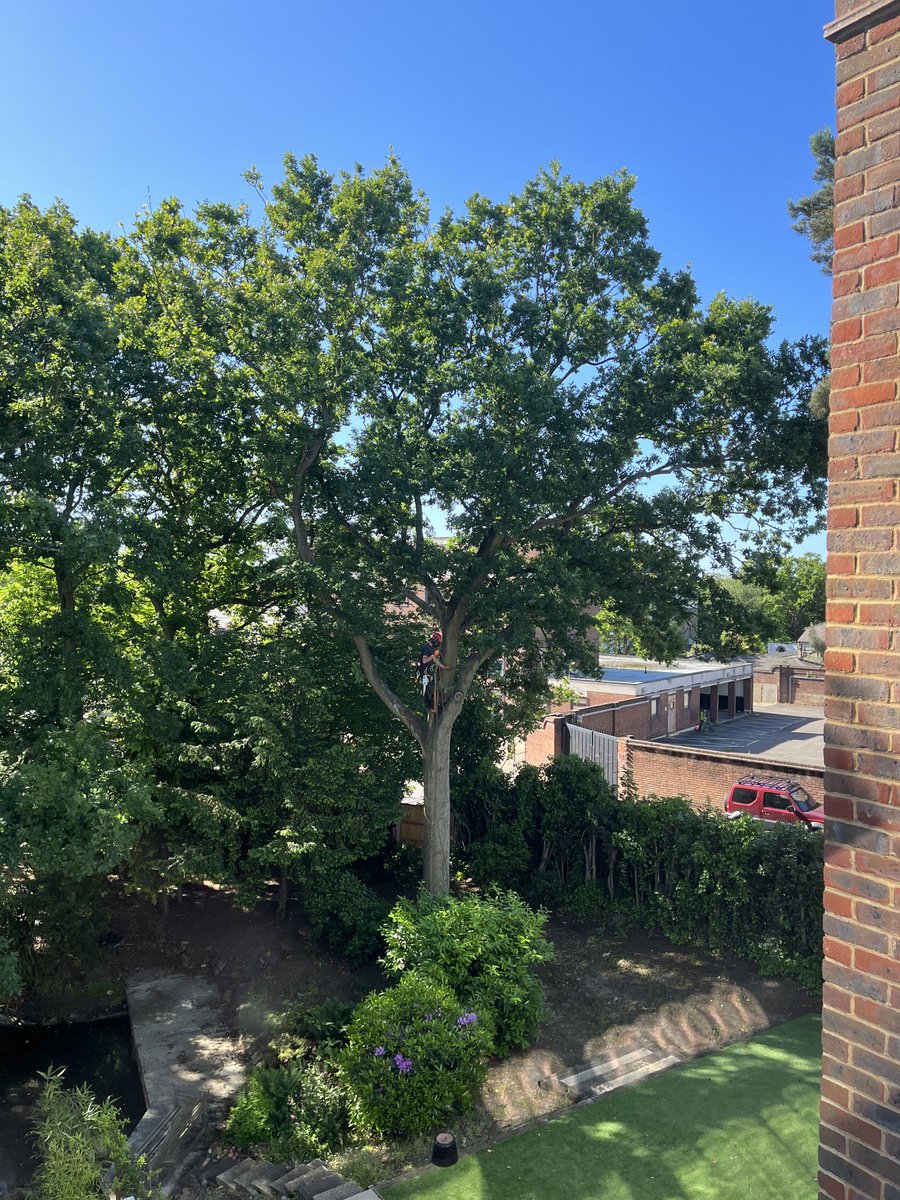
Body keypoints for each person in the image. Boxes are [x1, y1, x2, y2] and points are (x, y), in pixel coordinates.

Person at [417, 630, 448, 711]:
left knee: (434, 691)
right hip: (425, 674)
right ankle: (435, 708)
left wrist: (443, 667)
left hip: (428, 674)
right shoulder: (427, 648)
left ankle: (433, 707)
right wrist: (433, 655)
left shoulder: (431, 649)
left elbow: (435, 660)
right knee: (434, 692)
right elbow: (424, 660)